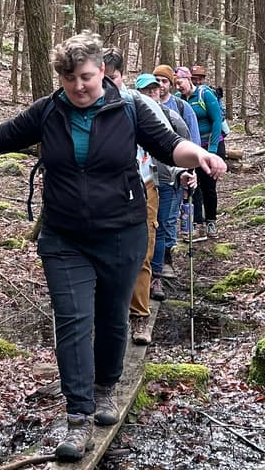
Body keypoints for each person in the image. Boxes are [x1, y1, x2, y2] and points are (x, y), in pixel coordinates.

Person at [0, 32, 226, 462]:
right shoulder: (48, 112)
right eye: (69, 78)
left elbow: (171, 145)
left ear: (102, 70)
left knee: (112, 317)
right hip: (64, 237)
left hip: (122, 232)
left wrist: (202, 157)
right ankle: (78, 416)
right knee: (73, 320)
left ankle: (106, 390)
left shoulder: (131, 107)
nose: (78, 86)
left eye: (85, 76)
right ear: (60, 78)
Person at [102, 49, 168, 347]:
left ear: (122, 77)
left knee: (142, 250)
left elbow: (166, 140)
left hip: (143, 185)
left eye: (112, 78)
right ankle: (104, 316)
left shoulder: (136, 103)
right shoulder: (83, 103)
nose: (105, 84)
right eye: (101, 77)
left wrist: (182, 172)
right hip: (103, 192)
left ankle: (140, 316)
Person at [135, 73, 195, 302]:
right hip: (139, 181)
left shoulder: (171, 116)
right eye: (146, 89)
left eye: (154, 88)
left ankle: (155, 277)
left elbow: (186, 142)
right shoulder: (129, 115)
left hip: (167, 180)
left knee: (160, 227)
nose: (152, 92)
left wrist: (189, 171)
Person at [152, 63, 201, 277]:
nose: (161, 85)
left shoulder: (181, 108)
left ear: (170, 84)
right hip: (150, 174)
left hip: (175, 172)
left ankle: (166, 258)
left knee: (170, 217)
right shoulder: (144, 106)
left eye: (164, 81)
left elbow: (193, 140)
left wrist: (192, 168)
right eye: (157, 81)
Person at [174, 65, 224, 237]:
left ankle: (211, 221)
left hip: (209, 144)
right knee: (193, 185)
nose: (178, 87)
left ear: (188, 79)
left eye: (180, 83)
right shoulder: (178, 99)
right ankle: (195, 222)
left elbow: (217, 120)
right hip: (190, 148)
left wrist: (212, 150)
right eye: (176, 84)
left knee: (209, 186)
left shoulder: (204, 94)